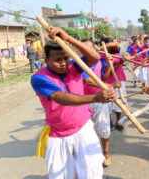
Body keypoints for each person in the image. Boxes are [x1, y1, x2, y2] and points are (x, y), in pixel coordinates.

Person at [31, 26, 117, 179]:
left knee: (92, 172)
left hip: (83, 128)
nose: (63, 63)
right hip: (58, 134)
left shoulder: (74, 66)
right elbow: (60, 97)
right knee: (61, 176)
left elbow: (95, 58)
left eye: (66, 58)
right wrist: (96, 98)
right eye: (57, 60)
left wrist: (68, 38)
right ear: (46, 61)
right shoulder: (39, 78)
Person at [81, 39, 113, 167]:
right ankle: (90, 156)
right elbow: (88, 81)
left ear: (95, 49)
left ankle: (105, 154)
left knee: (104, 128)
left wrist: (109, 64)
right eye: (85, 48)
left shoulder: (100, 61)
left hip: (100, 99)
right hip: (83, 100)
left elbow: (104, 77)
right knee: (86, 131)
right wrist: (107, 85)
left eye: (90, 48)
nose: (88, 51)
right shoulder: (78, 63)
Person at [100, 37, 128, 132]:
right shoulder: (101, 57)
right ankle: (110, 121)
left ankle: (118, 121)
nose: (108, 49)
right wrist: (118, 62)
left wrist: (122, 61)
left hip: (119, 80)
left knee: (119, 103)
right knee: (108, 104)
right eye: (106, 48)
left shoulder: (117, 53)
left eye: (110, 47)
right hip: (108, 83)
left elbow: (116, 45)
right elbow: (107, 73)